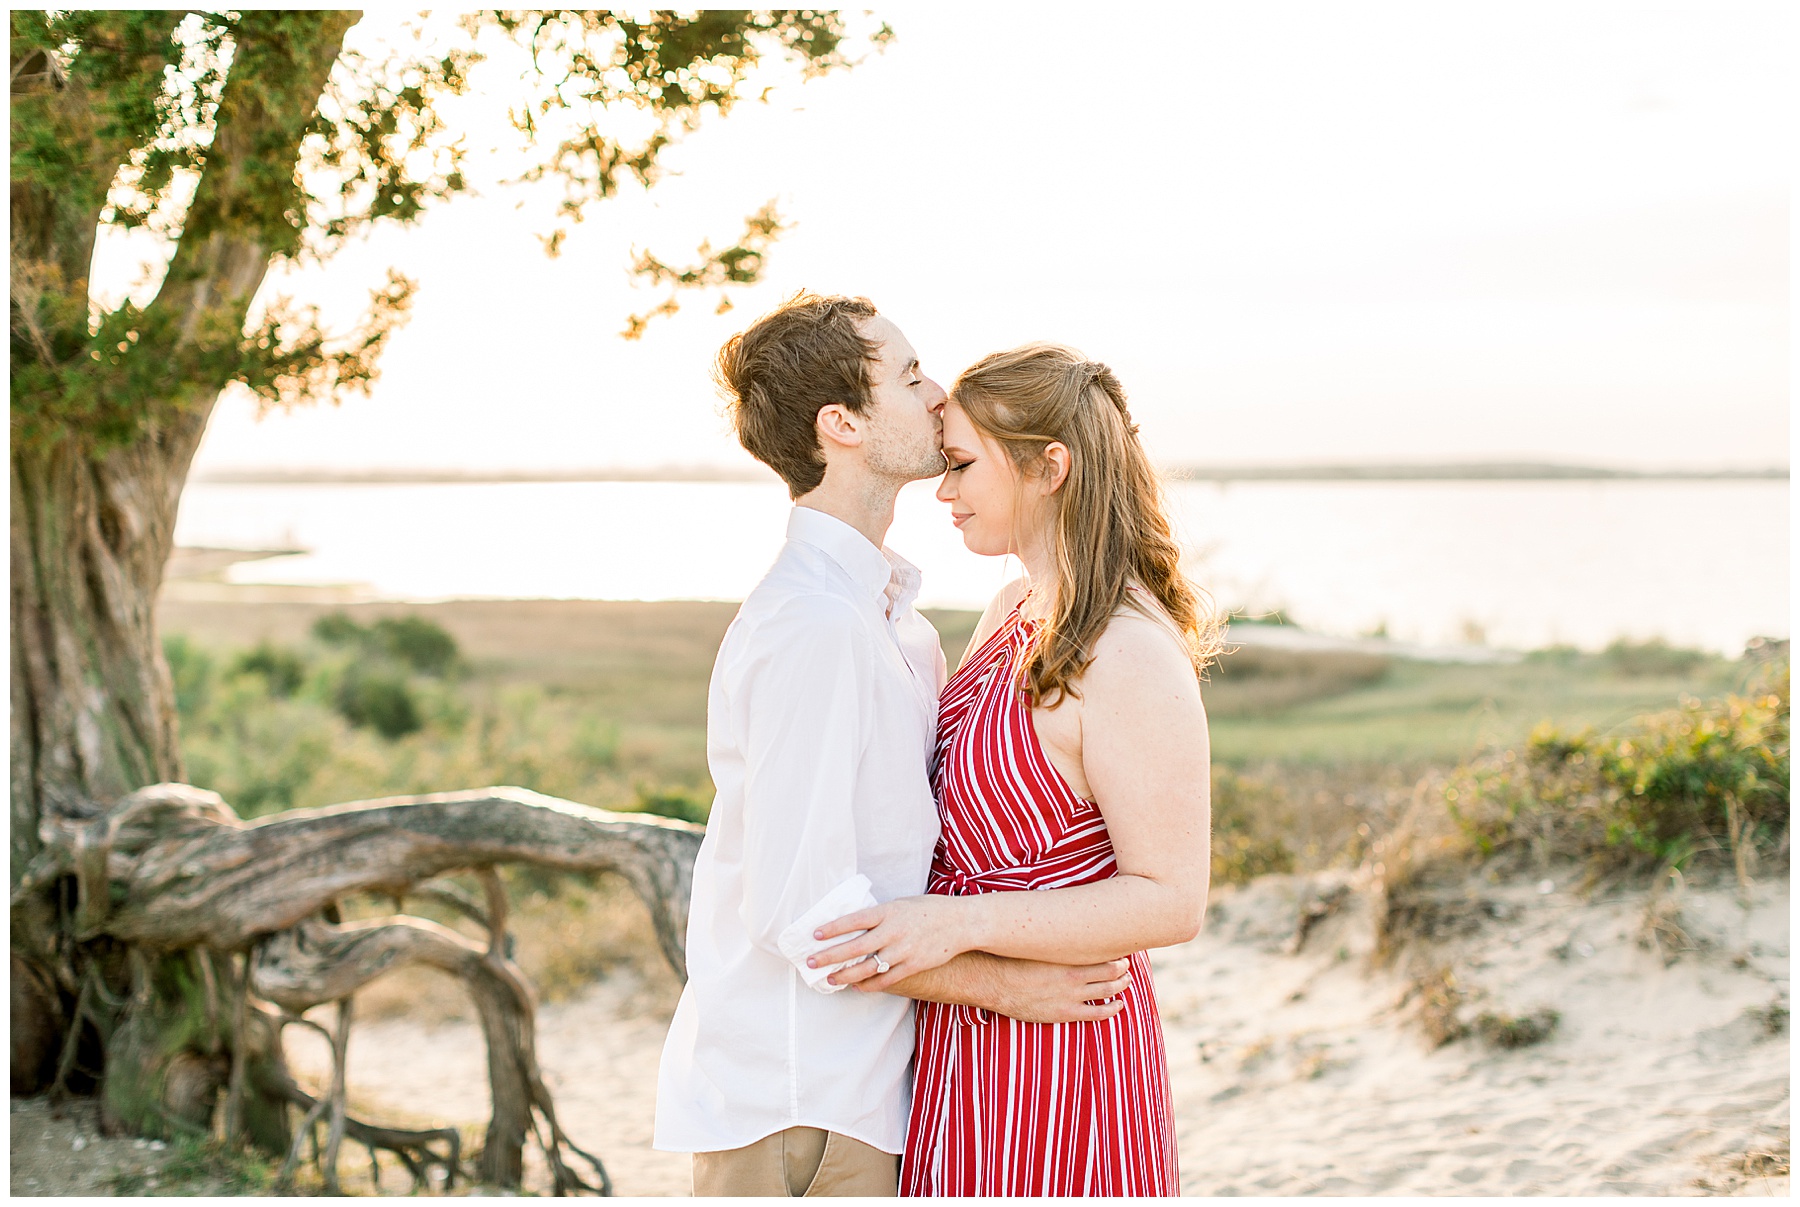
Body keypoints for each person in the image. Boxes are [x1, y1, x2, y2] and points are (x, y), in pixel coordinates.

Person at [653, 297, 1139, 1198]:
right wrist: (1003, 985)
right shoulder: (816, 627)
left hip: (869, 1089)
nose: (938, 393)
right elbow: (803, 913)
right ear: (841, 424)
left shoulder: (896, 623)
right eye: (910, 377)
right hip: (800, 1101)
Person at [812, 343, 1220, 1197]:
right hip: (963, 1034)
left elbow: (1170, 897)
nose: (943, 489)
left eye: (960, 464)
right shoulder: (1011, 610)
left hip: (1065, 1053)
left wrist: (951, 925)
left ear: (1050, 467)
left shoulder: (1130, 650)